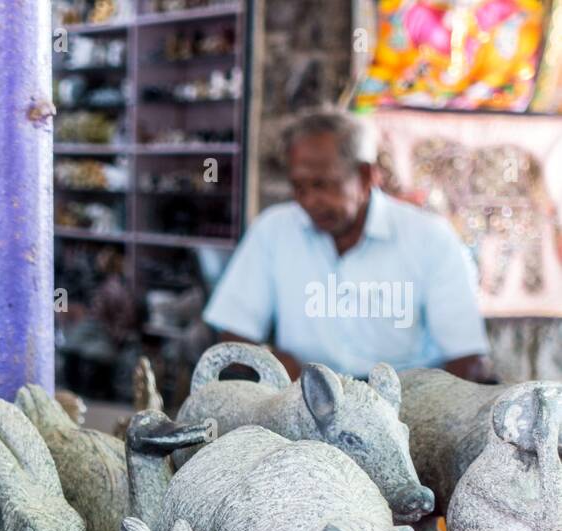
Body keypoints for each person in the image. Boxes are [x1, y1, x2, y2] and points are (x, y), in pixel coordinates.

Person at [203, 108, 492, 381]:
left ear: (365, 176)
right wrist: (269, 364)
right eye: (299, 187)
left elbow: (466, 359)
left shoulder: (429, 237)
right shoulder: (274, 230)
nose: (309, 201)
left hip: (407, 406)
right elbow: (233, 335)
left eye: (322, 185)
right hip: (303, 402)